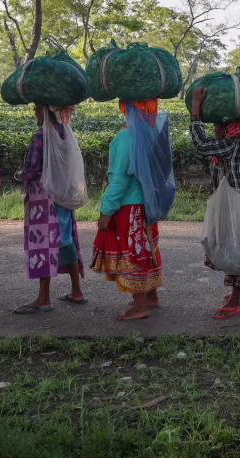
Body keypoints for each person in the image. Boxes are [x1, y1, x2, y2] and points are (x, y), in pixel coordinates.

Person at [90, 99, 164, 321]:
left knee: (133, 253)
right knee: (146, 249)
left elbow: (119, 179)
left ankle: (140, 306)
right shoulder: (151, 134)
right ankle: (151, 296)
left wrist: (106, 210)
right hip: (147, 205)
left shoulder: (126, 136)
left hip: (129, 207)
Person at [188, 86, 240, 320]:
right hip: (234, 202)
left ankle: (236, 300)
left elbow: (201, 143)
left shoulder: (233, 142)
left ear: (227, 128)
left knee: (234, 248)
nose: (213, 129)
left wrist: (196, 110)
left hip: (235, 205)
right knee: (232, 245)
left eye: (216, 125)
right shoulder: (238, 138)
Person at [13, 106, 85, 314]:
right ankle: (76, 291)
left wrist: (20, 174)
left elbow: (31, 168)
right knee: (65, 240)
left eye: (37, 108)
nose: (34, 111)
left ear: (45, 112)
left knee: (44, 244)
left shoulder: (40, 136)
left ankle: (43, 299)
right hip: (63, 195)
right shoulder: (63, 133)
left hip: (43, 199)